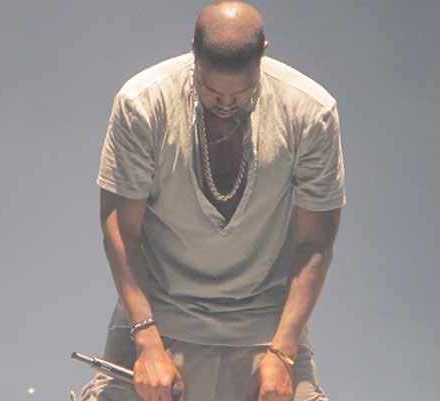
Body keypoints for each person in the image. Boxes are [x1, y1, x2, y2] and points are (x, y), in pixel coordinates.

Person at [72, 1, 345, 401]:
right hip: (155, 326)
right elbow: (120, 229)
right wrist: (146, 340)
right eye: (211, 90)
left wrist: (283, 352)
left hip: (267, 333)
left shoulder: (311, 113)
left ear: (263, 54)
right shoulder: (142, 104)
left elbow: (316, 243)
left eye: (241, 92)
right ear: (194, 51)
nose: (226, 104)